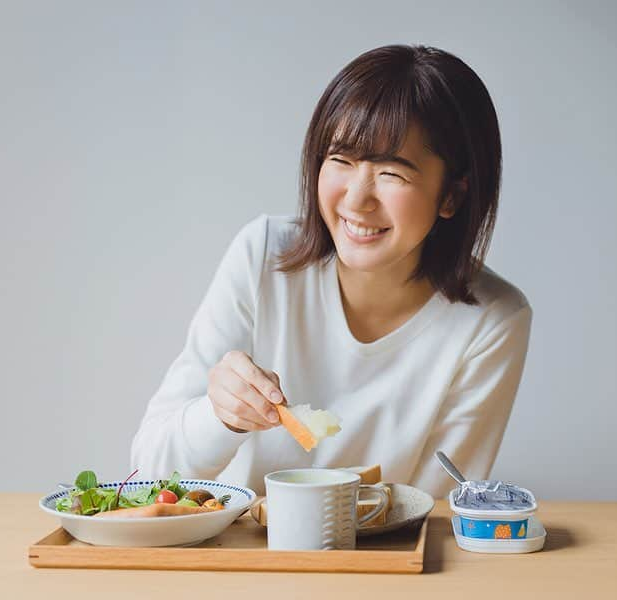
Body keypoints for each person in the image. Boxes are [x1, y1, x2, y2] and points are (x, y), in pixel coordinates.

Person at [131, 44, 532, 498]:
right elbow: (151, 466)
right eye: (340, 160)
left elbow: (430, 512)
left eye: (392, 174)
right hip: (237, 557)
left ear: (452, 197)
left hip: (382, 567)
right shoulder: (263, 256)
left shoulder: (491, 321)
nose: (357, 199)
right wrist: (220, 416)